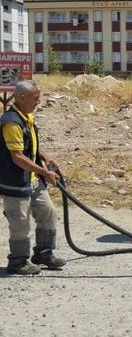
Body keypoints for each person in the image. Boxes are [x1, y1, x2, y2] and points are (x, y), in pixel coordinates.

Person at [0, 80, 66, 275]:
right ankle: (18, 261)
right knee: (20, 223)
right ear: (21, 98)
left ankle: (44, 253)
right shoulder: (11, 121)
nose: (38, 102)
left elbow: (29, 145)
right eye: (35, 98)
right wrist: (45, 172)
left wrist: (45, 157)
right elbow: (17, 156)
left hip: (33, 181)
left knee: (48, 212)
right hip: (16, 183)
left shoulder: (26, 117)